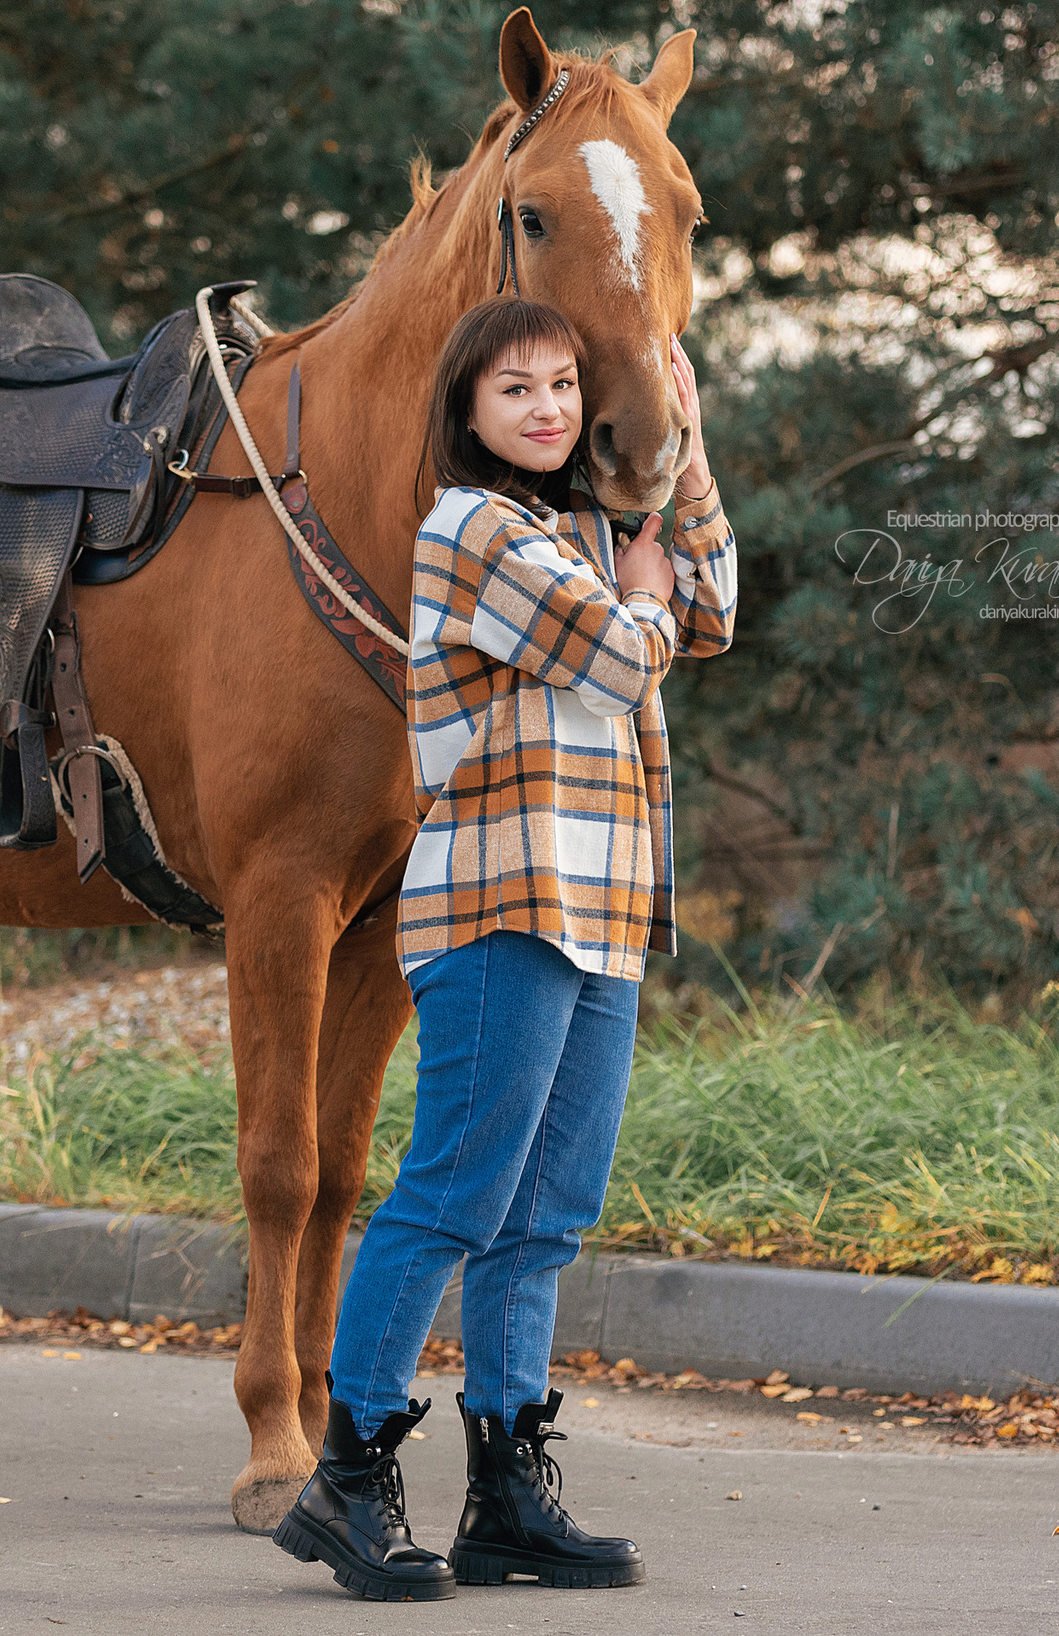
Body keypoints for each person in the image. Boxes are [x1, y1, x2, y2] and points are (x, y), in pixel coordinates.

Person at [273, 296, 737, 1601]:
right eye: (514, 389)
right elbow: (618, 647)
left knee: (545, 1216)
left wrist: (684, 447)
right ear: (469, 412)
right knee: (455, 1192)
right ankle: (347, 1474)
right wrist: (641, 599)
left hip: (603, 907)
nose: (542, 407)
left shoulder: (580, 530)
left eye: (560, 387)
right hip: (498, 897)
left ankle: (507, 1494)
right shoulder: (467, 528)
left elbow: (706, 610)